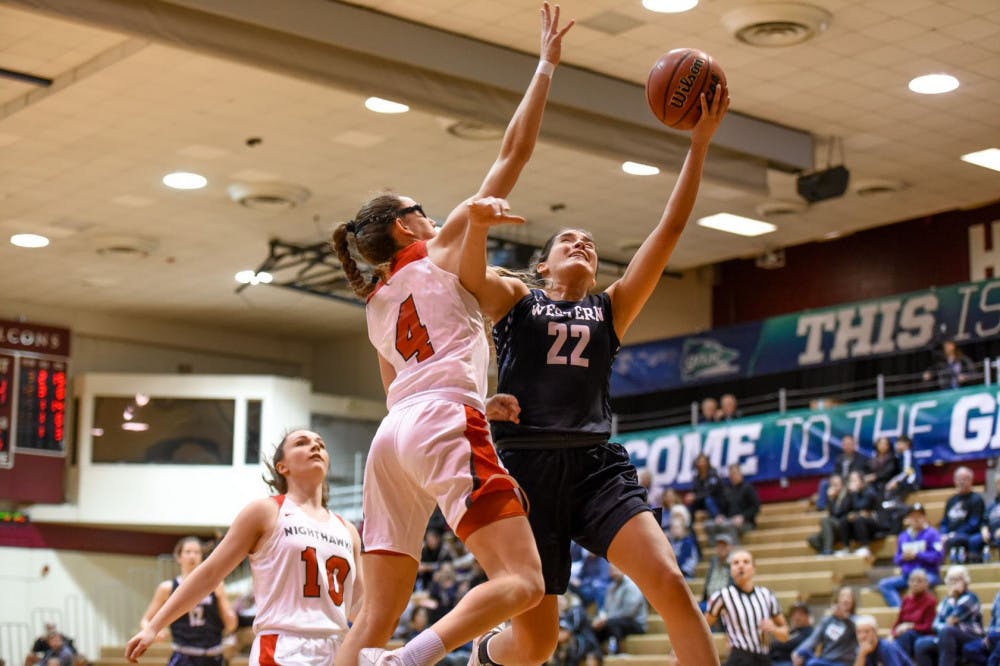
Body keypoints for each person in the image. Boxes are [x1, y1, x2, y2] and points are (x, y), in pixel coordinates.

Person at [329, 7, 574, 666]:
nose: (433, 214)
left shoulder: (377, 303)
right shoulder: (444, 249)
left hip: (393, 441)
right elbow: (513, 151)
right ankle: (412, 662)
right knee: (522, 581)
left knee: (371, 619)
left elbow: (398, 392)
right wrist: (546, 63)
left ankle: (379, 655)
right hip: (441, 421)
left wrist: (470, 395)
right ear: (408, 229)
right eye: (421, 210)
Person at [463, 77, 729, 666]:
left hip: (593, 466)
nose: (581, 241)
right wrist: (478, 226)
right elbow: (472, 280)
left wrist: (700, 143)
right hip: (523, 470)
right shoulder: (518, 299)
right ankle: (485, 655)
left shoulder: (611, 307)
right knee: (535, 647)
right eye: (567, 240)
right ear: (543, 262)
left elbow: (670, 231)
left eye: (589, 240)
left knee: (670, 583)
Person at [125, 429, 363, 666]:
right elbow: (210, 573)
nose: (315, 447)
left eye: (321, 444)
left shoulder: (347, 530)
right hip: (284, 648)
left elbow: (361, 606)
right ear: (282, 467)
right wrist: (154, 626)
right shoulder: (266, 512)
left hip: (337, 649)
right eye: (302, 443)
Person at [138, 536, 238, 666]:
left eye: (197, 552)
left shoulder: (216, 585)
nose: (193, 556)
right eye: (188, 552)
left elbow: (231, 625)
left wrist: (222, 599)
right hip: (184, 657)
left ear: (202, 557)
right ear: (179, 557)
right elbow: (145, 621)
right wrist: (155, 632)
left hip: (213, 656)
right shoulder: (167, 588)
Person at [705, 549, 789, 665]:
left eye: (746, 562)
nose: (741, 566)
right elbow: (704, 626)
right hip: (740, 657)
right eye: (736, 563)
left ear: (754, 569)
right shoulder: (722, 596)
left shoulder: (767, 595)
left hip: (763, 658)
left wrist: (774, 629)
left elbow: (785, 635)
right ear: (731, 570)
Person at [913, 565, 983, 666]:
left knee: (947, 632)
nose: (954, 583)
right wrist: (945, 625)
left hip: (971, 636)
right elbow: (936, 624)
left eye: (958, 579)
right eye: (951, 580)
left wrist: (945, 624)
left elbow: (954, 617)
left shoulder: (971, 598)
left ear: (965, 581)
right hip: (947, 637)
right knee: (921, 643)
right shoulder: (947, 600)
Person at [878, 503, 944, 608]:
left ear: (924, 517)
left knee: (919, 583)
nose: (916, 519)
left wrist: (918, 555)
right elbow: (896, 559)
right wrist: (903, 557)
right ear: (908, 519)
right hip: (907, 576)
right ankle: (901, 610)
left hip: (928, 574)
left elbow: (938, 556)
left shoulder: (933, 534)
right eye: (913, 516)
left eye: (919, 516)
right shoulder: (903, 536)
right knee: (884, 584)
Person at [792, 587, 858, 666]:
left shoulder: (857, 620)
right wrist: (797, 651)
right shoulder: (827, 620)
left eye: (849, 597)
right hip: (826, 659)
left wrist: (845, 617)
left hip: (843, 662)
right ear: (837, 600)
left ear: (853, 601)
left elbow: (856, 630)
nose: (845, 599)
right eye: (843, 596)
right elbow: (813, 639)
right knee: (809, 661)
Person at [591, 566, 648, 655]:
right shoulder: (611, 588)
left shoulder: (632, 585)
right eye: (612, 570)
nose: (614, 573)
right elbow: (605, 609)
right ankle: (597, 654)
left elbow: (628, 612)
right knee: (594, 627)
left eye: (616, 570)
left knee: (612, 624)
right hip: (614, 621)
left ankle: (615, 653)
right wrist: (601, 618)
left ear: (624, 569)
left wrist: (606, 619)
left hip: (636, 623)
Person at [705, 464, 761, 545]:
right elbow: (724, 509)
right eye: (731, 474)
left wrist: (743, 517)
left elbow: (756, 507)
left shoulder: (748, 488)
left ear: (740, 474)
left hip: (746, 523)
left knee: (729, 526)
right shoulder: (727, 491)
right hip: (729, 520)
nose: (733, 476)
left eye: (735, 473)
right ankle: (716, 552)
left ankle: (735, 552)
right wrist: (720, 516)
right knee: (709, 525)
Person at [940, 466, 985, 563]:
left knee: (963, 540)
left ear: (971, 481)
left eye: (965, 479)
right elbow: (944, 522)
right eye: (959, 479)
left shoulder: (976, 499)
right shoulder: (951, 500)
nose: (962, 482)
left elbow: (974, 523)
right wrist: (943, 534)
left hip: (968, 534)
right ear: (954, 481)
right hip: (950, 535)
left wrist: (954, 534)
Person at [890, 568, 937, 659]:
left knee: (906, 635)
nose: (915, 583)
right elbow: (898, 622)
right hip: (905, 635)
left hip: (922, 636)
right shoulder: (906, 600)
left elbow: (929, 627)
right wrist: (893, 634)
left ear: (926, 584)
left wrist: (910, 626)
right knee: (887, 644)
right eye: (912, 580)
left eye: (919, 581)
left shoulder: (931, 601)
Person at [702, 533, 735, 612]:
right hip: (709, 600)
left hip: (725, 602)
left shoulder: (734, 563)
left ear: (730, 547)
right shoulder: (713, 562)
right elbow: (708, 582)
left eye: (724, 546)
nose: (721, 548)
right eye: (719, 546)